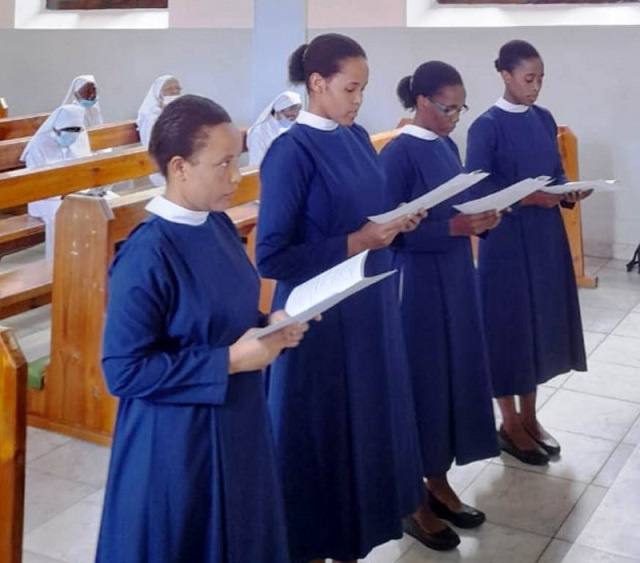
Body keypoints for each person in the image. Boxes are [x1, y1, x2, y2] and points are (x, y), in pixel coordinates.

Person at [95, 94, 309, 563]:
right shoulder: (147, 253)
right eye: (224, 163)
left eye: (239, 160)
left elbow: (221, 314)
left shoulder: (216, 225)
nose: (236, 176)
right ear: (180, 167)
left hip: (237, 421)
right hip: (177, 441)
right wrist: (231, 360)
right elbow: (123, 372)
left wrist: (268, 326)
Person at [256, 33, 426, 562]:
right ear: (317, 83)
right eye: (350, 88)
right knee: (322, 444)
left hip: (367, 308)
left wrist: (397, 221)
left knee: (366, 432)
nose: (357, 99)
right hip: (320, 322)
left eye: (363, 89)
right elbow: (272, 256)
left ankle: (354, 542)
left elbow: (365, 211)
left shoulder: (353, 139)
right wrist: (359, 240)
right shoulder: (291, 151)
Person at [379, 61, 500, 551]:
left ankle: (438, 480)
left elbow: (456, 210)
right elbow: (387, 232)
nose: (455, 116)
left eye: (460, 107)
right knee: (423, 383)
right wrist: (450, 229)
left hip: (454, 275)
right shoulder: (398, 154)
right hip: (419, 285)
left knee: (453, 377)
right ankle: (411, 498)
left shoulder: (448, 145)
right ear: (423, 101)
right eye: (448, 107)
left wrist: (481, 219)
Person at [466, 40, 589, 466]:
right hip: (506, 240)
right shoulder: (486, 126)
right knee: (508, 329)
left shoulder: (543, 118)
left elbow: (554, 171)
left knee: (539, 324)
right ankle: (509, 421)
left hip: (544, 239)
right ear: (505, 75)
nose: (535, 87)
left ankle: (531, 416)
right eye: (528, 79)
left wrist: (568, 191)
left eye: (540, 79)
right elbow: (477, 189)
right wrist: (522, 200)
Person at [20, 104, 90, 259]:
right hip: (45, 198)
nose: (72, 135)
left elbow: (84, 169)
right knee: (62, 215)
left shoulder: (78, 141)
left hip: (73, 193)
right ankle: (57, 264)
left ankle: (84, 260)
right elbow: (37, 182)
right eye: (68, 130)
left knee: (100, 207)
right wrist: (62, 193)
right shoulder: (39, 145)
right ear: (56, 128)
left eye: (76, 130)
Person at [247, 90, 302, 165]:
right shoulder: (260, 132)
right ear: (278, 111)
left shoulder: (293, 127)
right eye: (291, 110)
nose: (295, 114)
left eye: (298, 109)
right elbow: (257, 164)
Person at [137, 75, 182, 147]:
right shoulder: (150, 116)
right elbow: (149, 143)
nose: (174, 92)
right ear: (158, 93)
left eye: (177, 89)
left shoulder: (181, 110)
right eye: (169, 89)